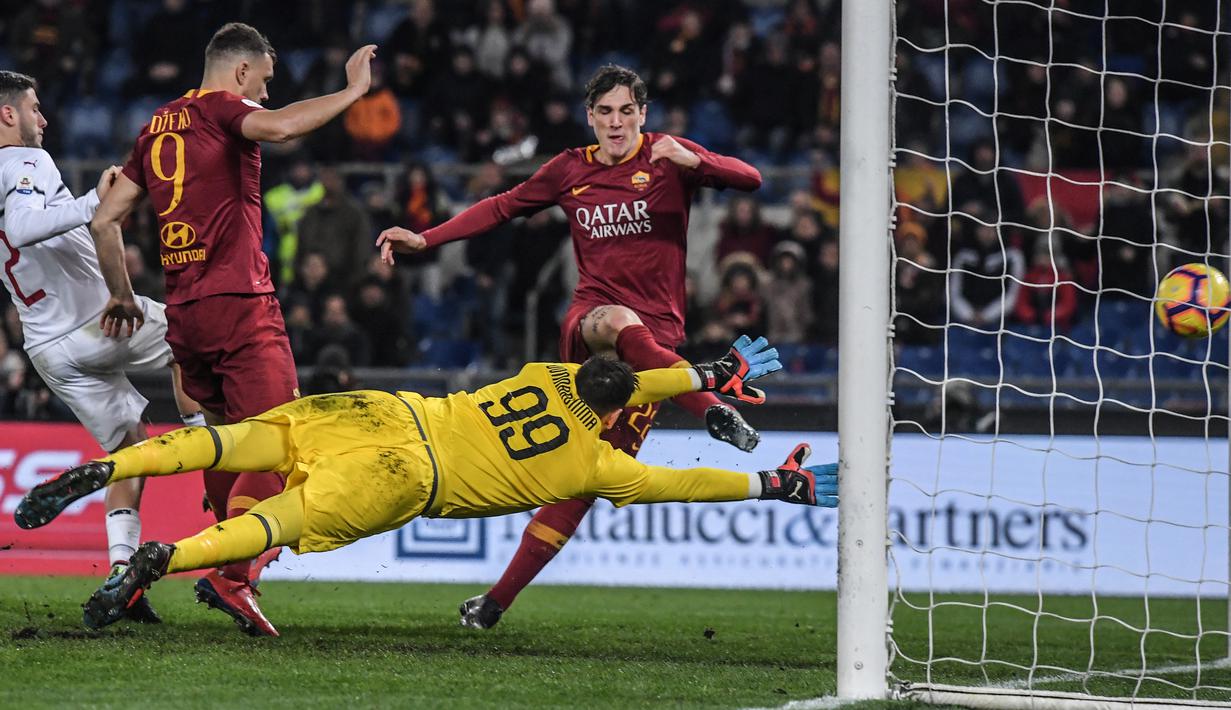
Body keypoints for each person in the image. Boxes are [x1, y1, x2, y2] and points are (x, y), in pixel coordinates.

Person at [16, 338, 837, 635]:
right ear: (618, 410)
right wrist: (770, 482)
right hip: (406, 474)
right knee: (276, 522)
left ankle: (104, 469)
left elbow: (632, 380)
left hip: (378, 410)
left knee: (229, 440)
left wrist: (709, 370)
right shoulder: (596, 465)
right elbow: (680, 480)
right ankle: (169, 554)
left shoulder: (546, 373)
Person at [376, 64, 764, 628]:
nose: (615, 122)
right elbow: (503, 206)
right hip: (591, 325)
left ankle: (494, 603)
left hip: (658, 347)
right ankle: (713, 408)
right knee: (617, 318)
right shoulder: (570, 169)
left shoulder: (667, 156)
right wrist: (427, 238)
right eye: (604, 112)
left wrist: (695, 161)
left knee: (584, 476)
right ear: (590, 116)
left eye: (626, 111)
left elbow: (751, 179)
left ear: (643, 114)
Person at [87, 23, 377, 637]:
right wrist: (352, 92)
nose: (266, 94)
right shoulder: (225, 108)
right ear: (241, 72)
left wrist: (120, 293)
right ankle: (232, 576)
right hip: (240, 305)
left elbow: (106, 219)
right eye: (265, 82)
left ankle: (220, 547)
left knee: (226, 437)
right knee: (285, 442)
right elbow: (286, 127)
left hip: (185, 316)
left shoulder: (157, 124)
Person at [0, 70, 204, 622]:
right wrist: (94, 199)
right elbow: (21, 228)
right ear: (7, 115)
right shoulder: (24, 161)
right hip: (97, 322)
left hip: (47, 346)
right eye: (34, 108)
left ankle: (122, 573)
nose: (43, 119)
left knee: (129, 450)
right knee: (196, 334)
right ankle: (206, 450)